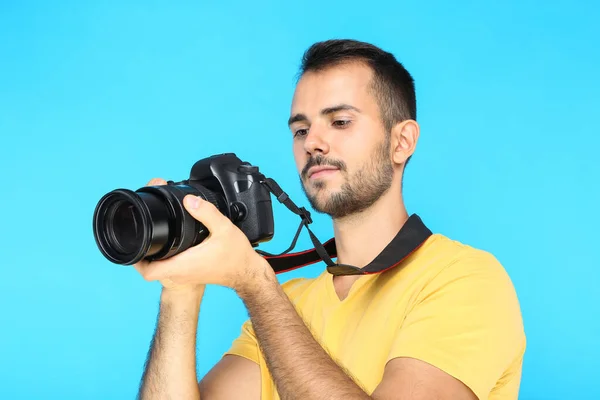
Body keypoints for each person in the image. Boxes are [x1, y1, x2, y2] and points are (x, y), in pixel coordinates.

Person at [134, 39, 526, 400]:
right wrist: (180, 289)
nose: (312, 143)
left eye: (340, 122)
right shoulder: (291, 304)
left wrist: (256, 284)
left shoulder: (464, 280)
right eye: (300, 129)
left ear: (402, 141)